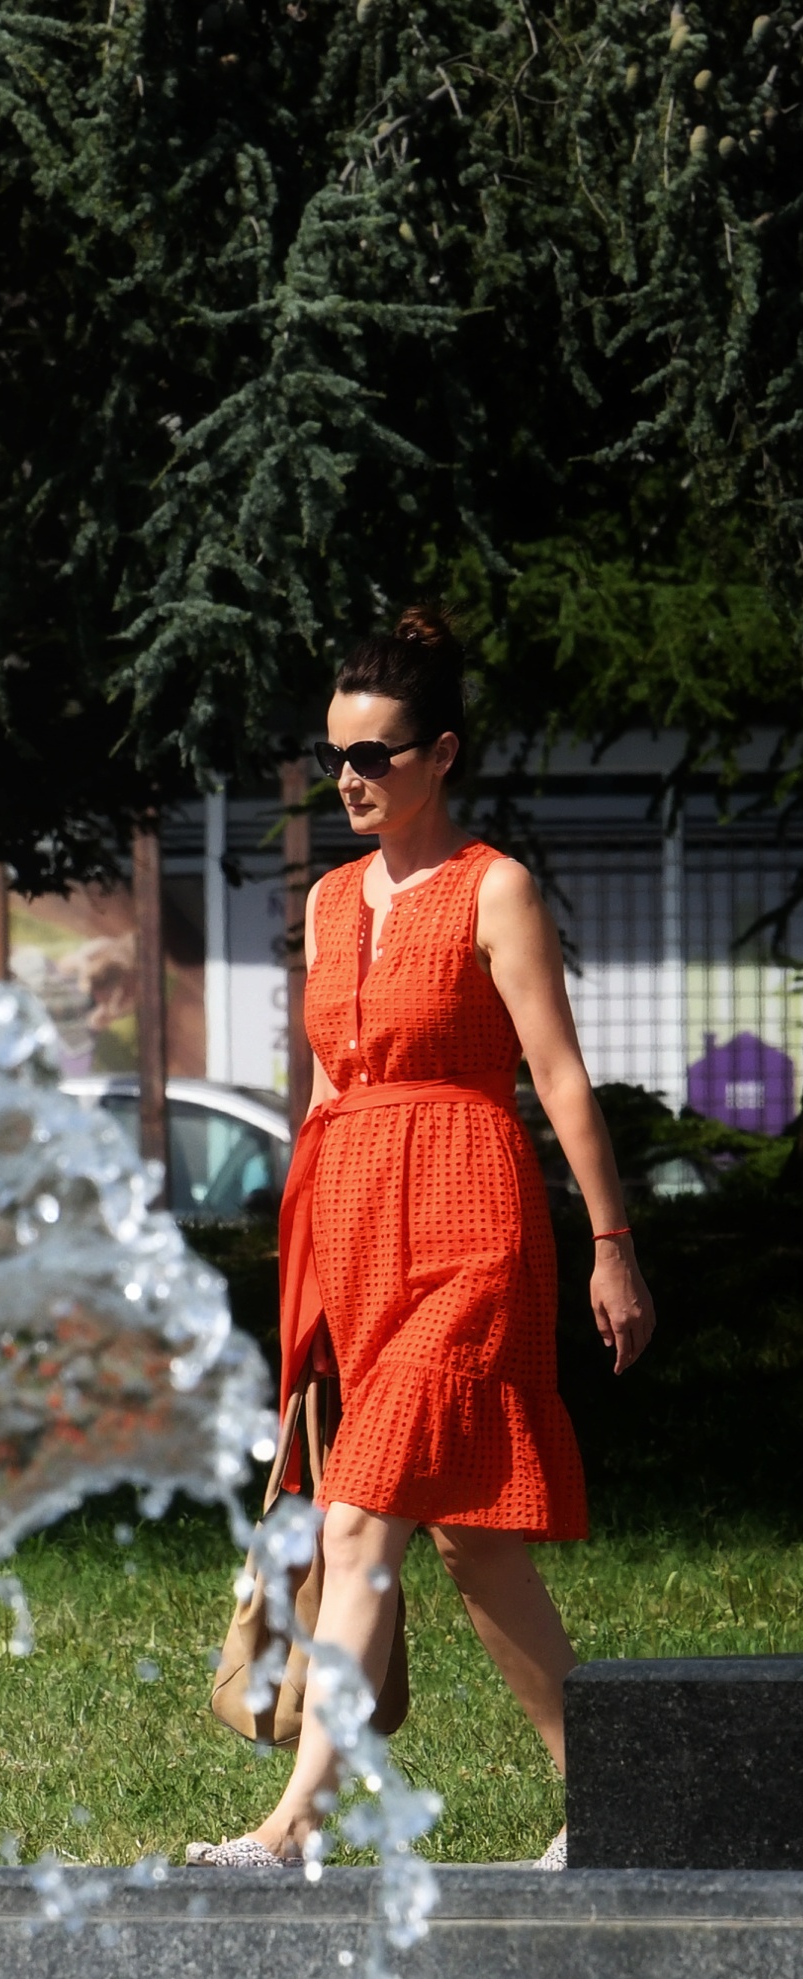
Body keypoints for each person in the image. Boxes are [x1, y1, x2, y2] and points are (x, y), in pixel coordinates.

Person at [187, 605, 655, 1873]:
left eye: (377, 755)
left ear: (440, 755)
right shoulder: (336, 901)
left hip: (471, 1222)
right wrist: (310, 1266)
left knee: (358, 1522)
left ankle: (294, 1823)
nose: (351, 777)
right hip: (355, 1224)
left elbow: (559, 1079)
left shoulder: (494, 887)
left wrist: (612, 1243)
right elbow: (336, 1085)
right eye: (338, 755)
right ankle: (619, 1792)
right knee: (475, 1546)